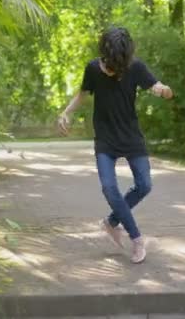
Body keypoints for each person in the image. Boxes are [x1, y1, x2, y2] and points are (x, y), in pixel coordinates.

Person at [57, 27, 173, 264]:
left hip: (131, 136)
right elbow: (82, 94)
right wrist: (66, 112)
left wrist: (164, 91)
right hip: (106, 139)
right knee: (109, 188)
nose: (113, 70)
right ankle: (137, 239)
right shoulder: (92, 69)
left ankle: (111, 222)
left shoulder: (135, 67)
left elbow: (157, 86)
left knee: (144, 185)